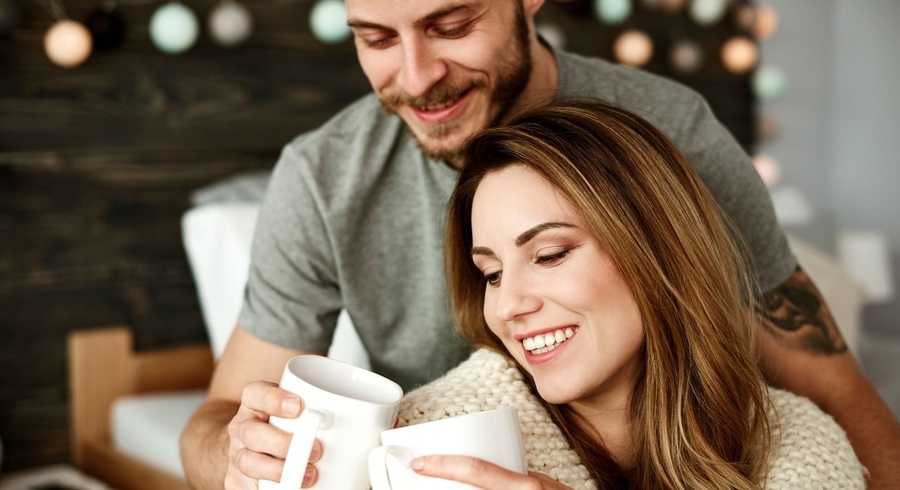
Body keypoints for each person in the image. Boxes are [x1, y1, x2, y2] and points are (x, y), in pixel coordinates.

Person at [179, 0, 900, 488]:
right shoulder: (321, 179)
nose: (417, 75)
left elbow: (831, 385)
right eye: (375, 38)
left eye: (452, 24)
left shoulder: (673, 134)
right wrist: (242, 453)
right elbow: (213, 423)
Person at [398, 99, 865, 489]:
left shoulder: (801, 446)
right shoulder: (434, 436)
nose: (508, 305)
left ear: (660, 250)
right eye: (492, 273)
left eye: (550, 255)